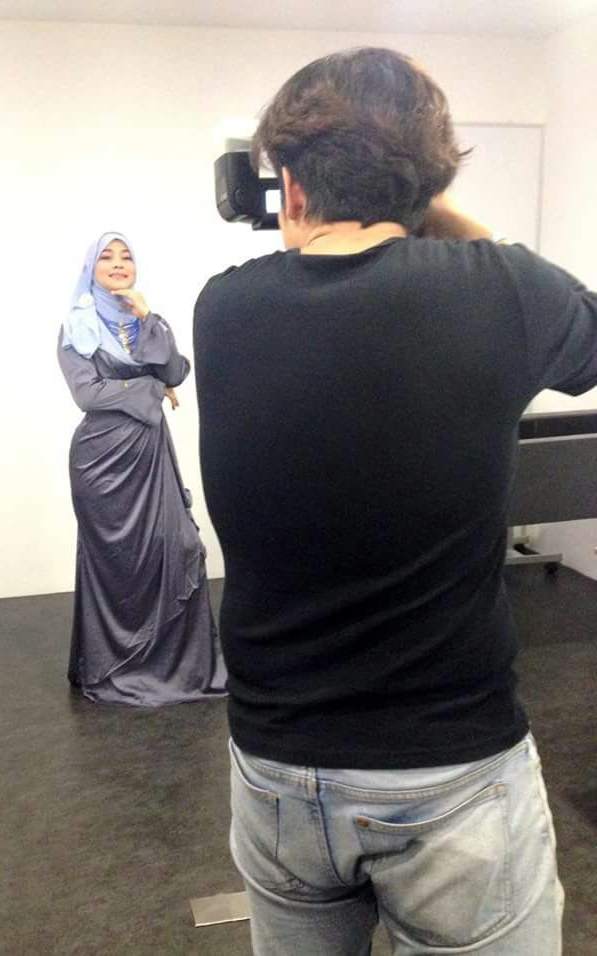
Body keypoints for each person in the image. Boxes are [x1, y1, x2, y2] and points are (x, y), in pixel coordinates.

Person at [194, 48, 597, 955]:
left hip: (277, 769)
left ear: (293, 187)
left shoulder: (222, 309)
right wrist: (433, 206)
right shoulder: (505, 294)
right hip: (450, 771)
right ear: (428, 184)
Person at [58, 231, 226, 706]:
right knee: (119, 567)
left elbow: (174, 372)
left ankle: (177, 670)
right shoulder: (76, 327)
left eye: (126, 256)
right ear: (90, 269)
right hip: (102, 461)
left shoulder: (145, 322)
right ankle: (117, 668)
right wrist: (149, 389)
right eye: (106, 257)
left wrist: (147, 317)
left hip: (149, 454)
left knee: (179, 548)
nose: (118, 264)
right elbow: (88, 393)